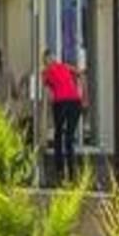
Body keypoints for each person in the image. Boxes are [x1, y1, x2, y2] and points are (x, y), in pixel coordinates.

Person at [40, 49, 84, 181]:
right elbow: (80, 74)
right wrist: (82, 95)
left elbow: (47, 91)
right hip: (72, 102)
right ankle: (68, 172)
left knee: (60, 136)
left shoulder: (48, 71)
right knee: (66, 137)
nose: (49, 61)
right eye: (48, 59)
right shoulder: (62, 67)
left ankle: (62, 171)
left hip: (65, 103)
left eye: (49, 58)